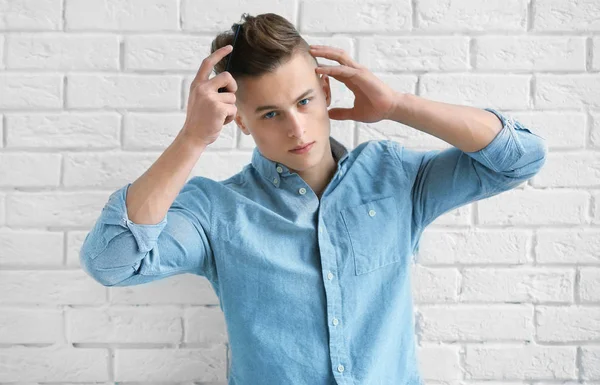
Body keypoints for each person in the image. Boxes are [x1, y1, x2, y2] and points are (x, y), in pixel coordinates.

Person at [79, 12, 548, 385]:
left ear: (325, 90)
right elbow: (112, 262)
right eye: (269, 113)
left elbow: (520, 157)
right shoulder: (215, 211)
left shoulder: (394, 177)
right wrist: (190, 139)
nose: (297, 129)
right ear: (239, 120)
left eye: (304, 101)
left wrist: (396, 105)